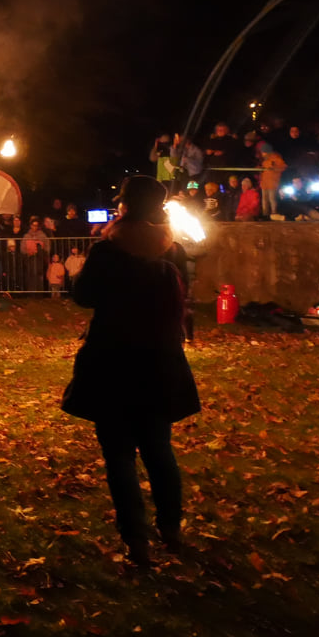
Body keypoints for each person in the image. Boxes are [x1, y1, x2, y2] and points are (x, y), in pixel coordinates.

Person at [60, 176, 199, 570]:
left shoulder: (109, 250)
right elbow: (182, 293)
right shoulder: (173, 249)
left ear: (125, 207)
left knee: (119, 455)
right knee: (158, 448)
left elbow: (83, 296)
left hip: (113, 361)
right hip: (158, 359)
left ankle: (137, 540)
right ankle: (170, 528)